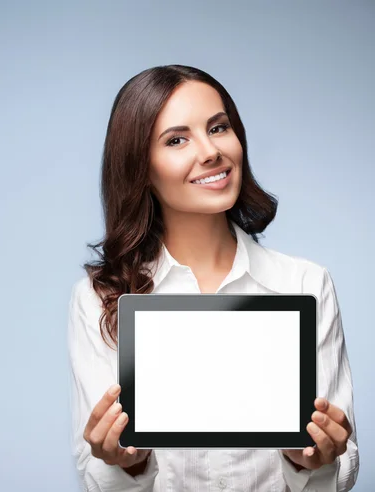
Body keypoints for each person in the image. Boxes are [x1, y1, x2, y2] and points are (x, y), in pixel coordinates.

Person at [67, 65, 359, 492]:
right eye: (177, 139)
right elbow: (95, 475)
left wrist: (312, 461)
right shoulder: (99, 298)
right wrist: (127, 464)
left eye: (218, 128)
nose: (210, 152)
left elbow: (343, 470)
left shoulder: (305, 284)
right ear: (140, 168)